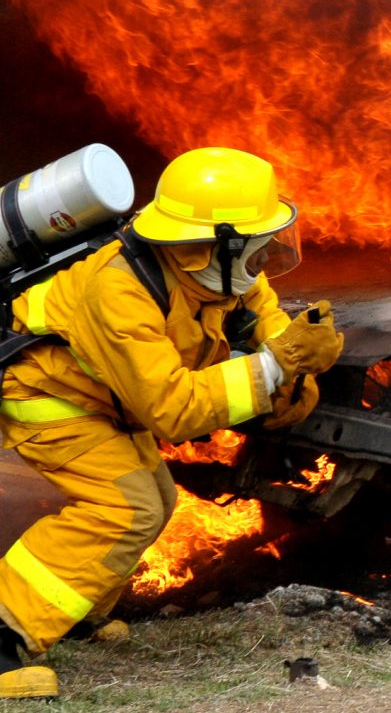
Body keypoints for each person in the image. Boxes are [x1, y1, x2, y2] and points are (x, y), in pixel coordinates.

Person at [0, 147, 343, 698]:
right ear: (217, 243)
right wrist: (275, 366)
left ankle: (76, 612)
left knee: (156, 499)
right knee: (122, 507)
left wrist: (296, 362)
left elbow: (268, 320)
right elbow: (172, 409)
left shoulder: (221, 274)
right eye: (257, 249)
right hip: (48, 396)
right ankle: (5, 633)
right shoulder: (119, 289)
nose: (264, 262)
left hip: (106, 398)